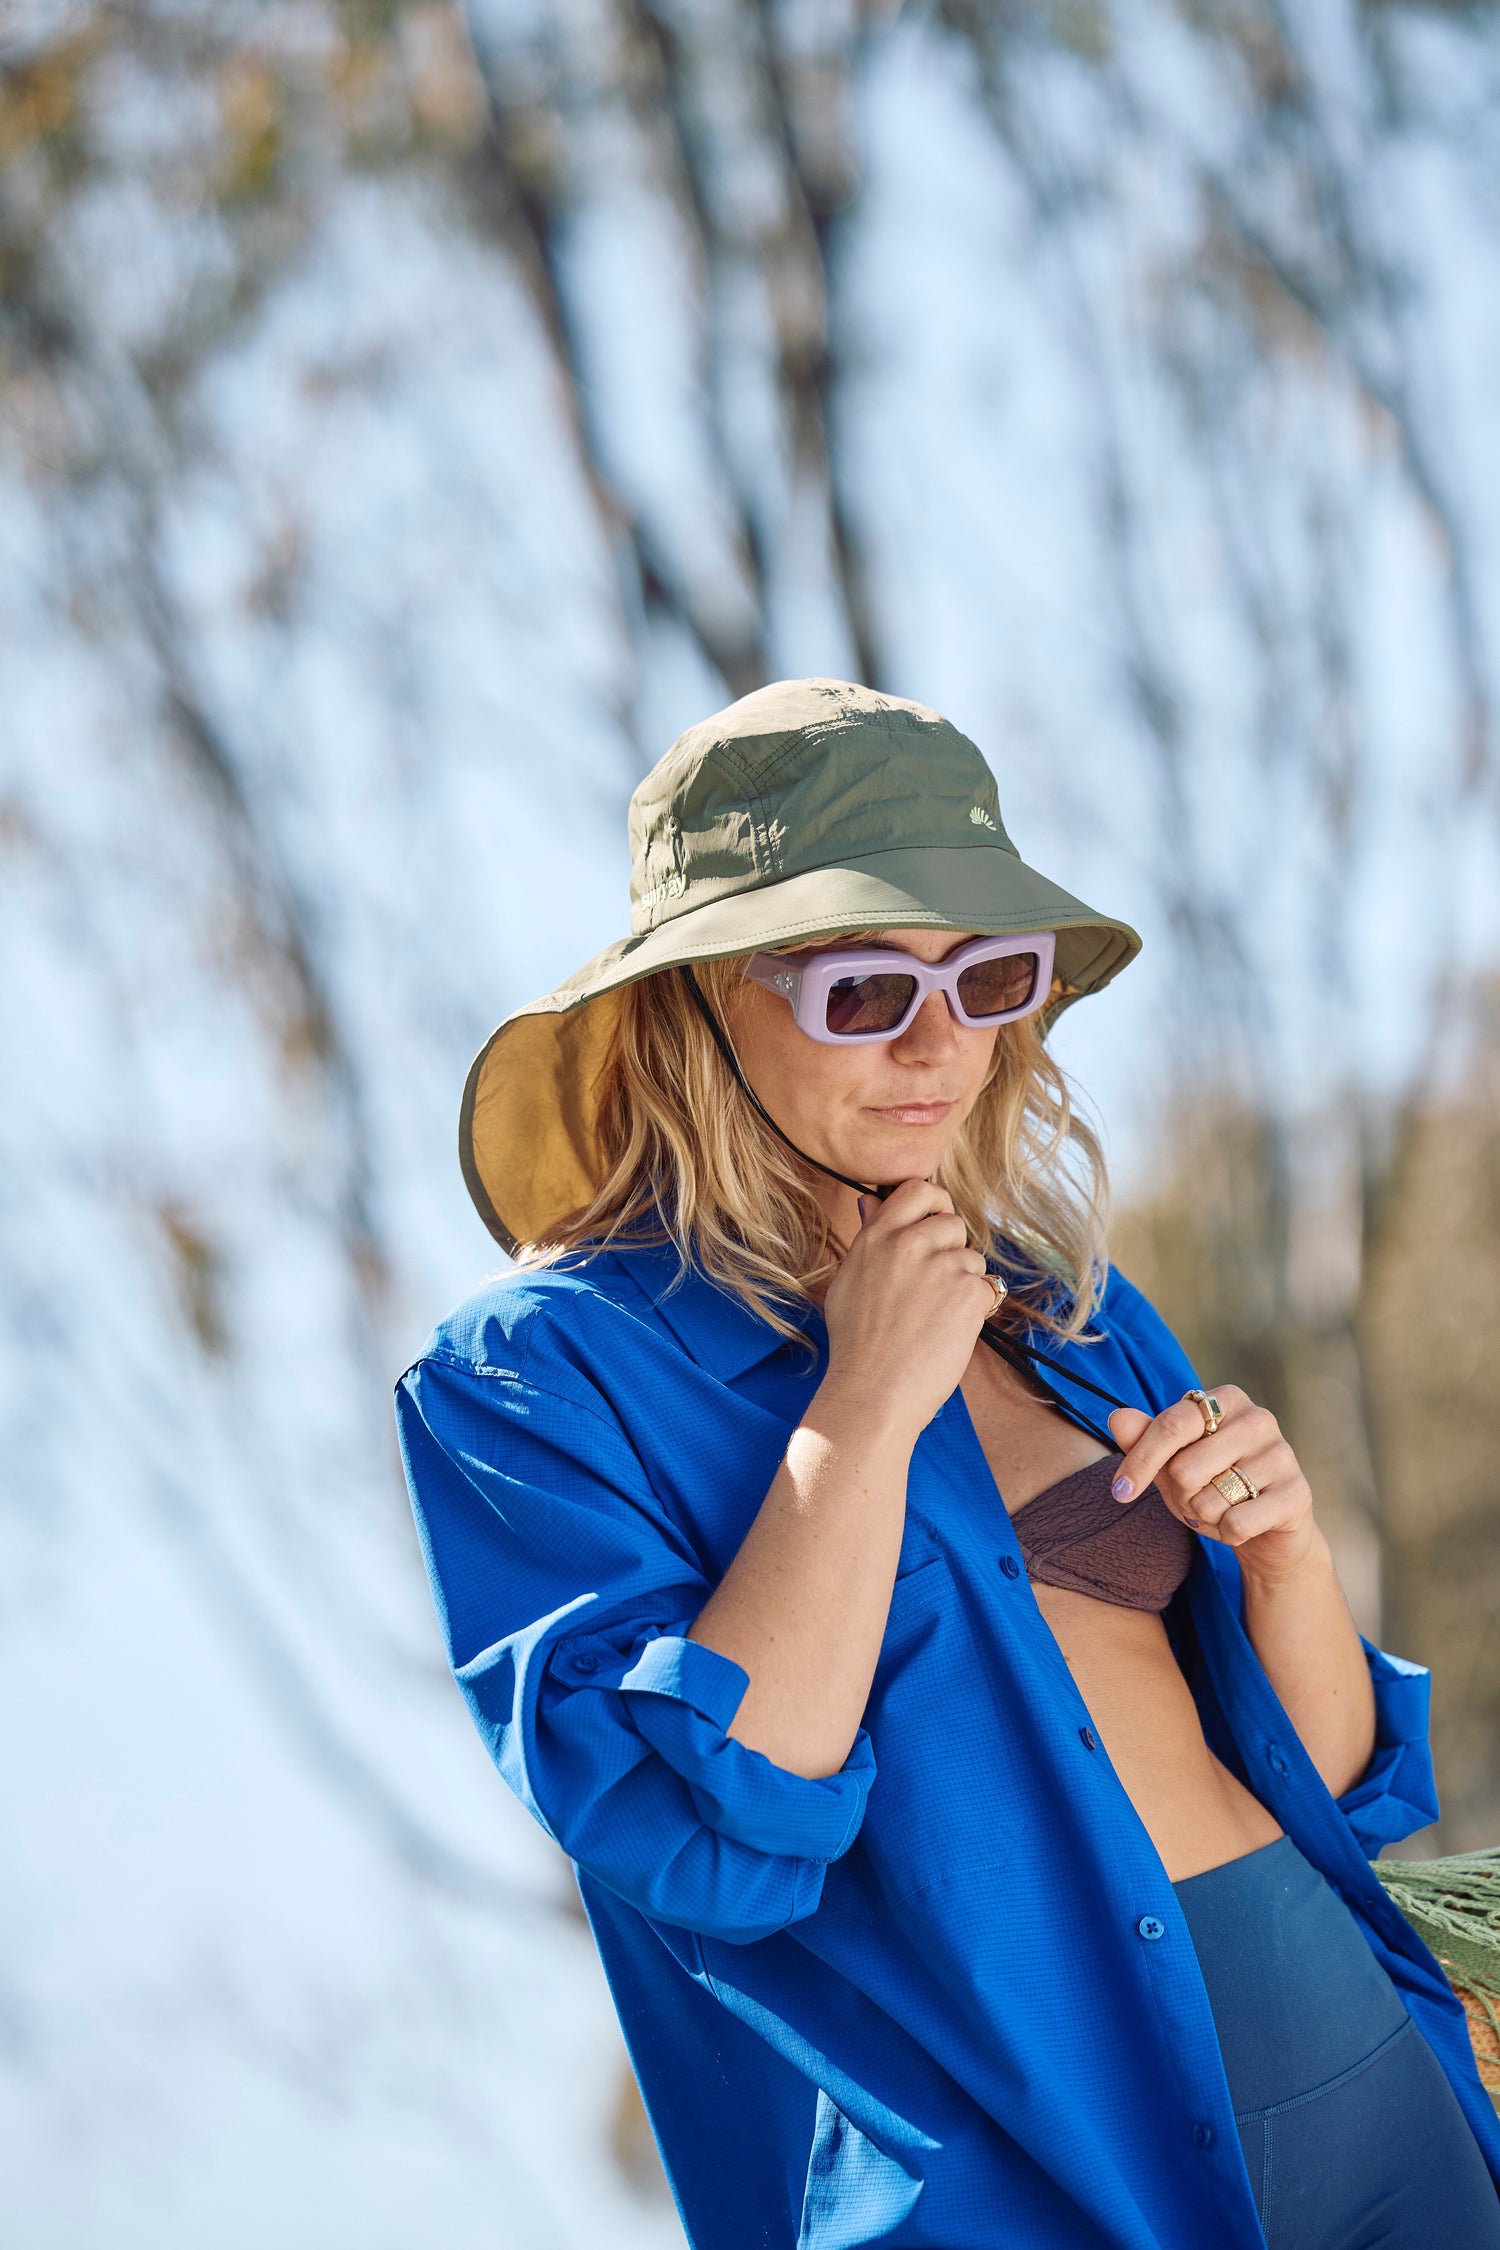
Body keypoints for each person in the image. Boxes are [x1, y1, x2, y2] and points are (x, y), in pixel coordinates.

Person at [394, 679, 1500, 2249]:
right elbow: (718, 1837)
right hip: (1022, 2189)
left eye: (990, 978)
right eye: (863, 989)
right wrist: (863, 1402)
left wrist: (1286, 1561)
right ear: (699, 999)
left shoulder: (1076, 1313)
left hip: (1381, 2095)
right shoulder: (536, 1378)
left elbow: (1325, 1787)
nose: (942, 1043)